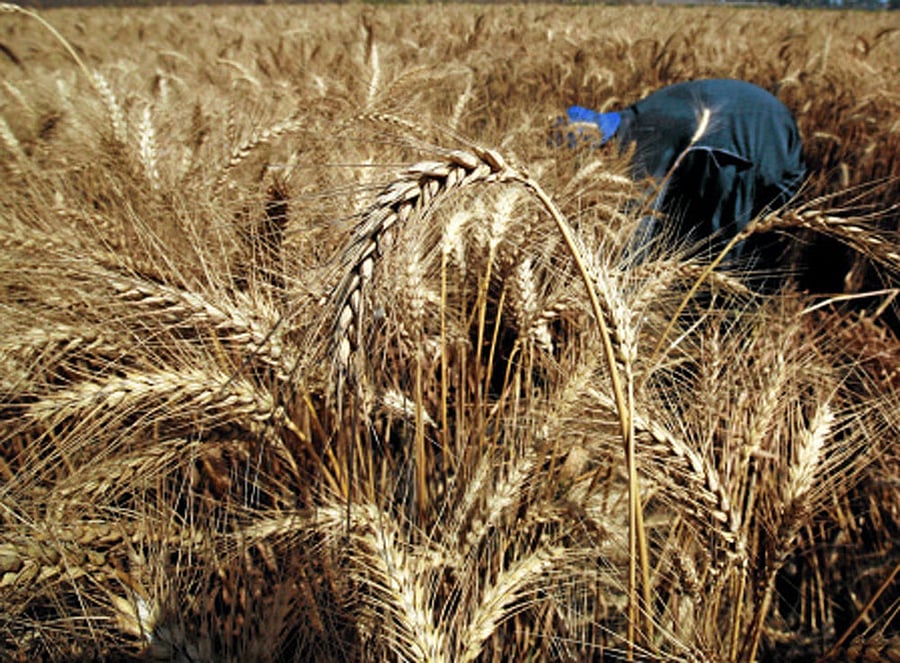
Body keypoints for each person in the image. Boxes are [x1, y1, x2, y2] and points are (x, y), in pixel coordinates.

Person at [560, 79, 806, 267]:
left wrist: (622, 281)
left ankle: (722, 315)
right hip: (777, 126)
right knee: (763, 238)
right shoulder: (641, 111)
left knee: (727, 248)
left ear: (600, 143)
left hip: (746, 145)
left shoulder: (644, 135)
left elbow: (640, 219)